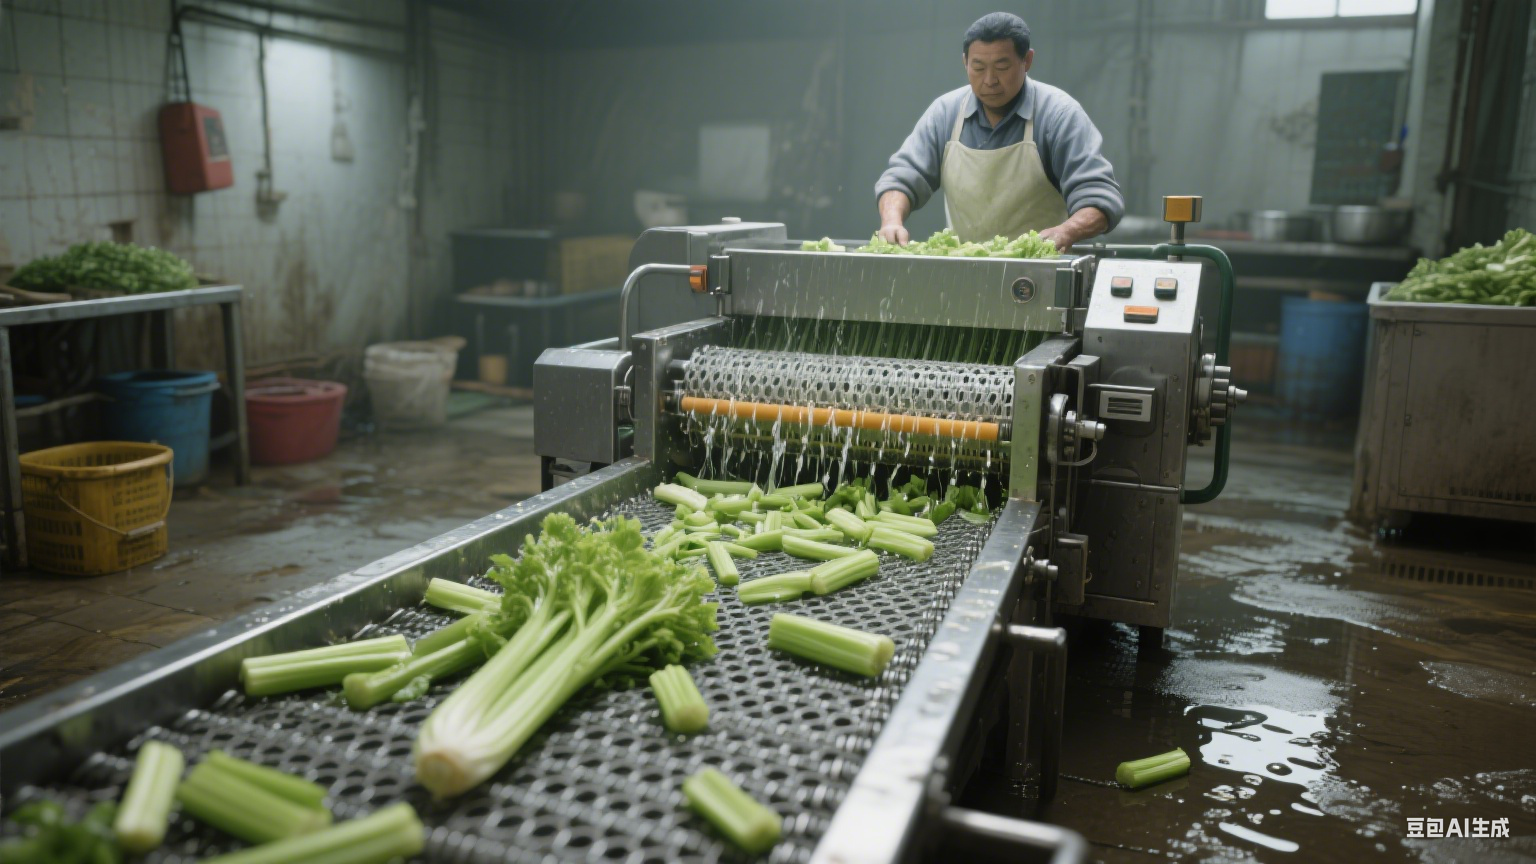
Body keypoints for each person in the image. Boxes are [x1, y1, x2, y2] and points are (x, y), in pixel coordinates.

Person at [874, 12, 1124, 250]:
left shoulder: (1058, 115)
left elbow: (1099, 199)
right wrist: (891, 221)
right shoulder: (946, 114)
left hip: (1042, 274)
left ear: (1027, 61)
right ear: (964, 62)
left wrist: (1066, 231)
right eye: (978, 67)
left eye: (1002, 67)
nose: (989, 80)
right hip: (965, 273)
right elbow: (902, 177)